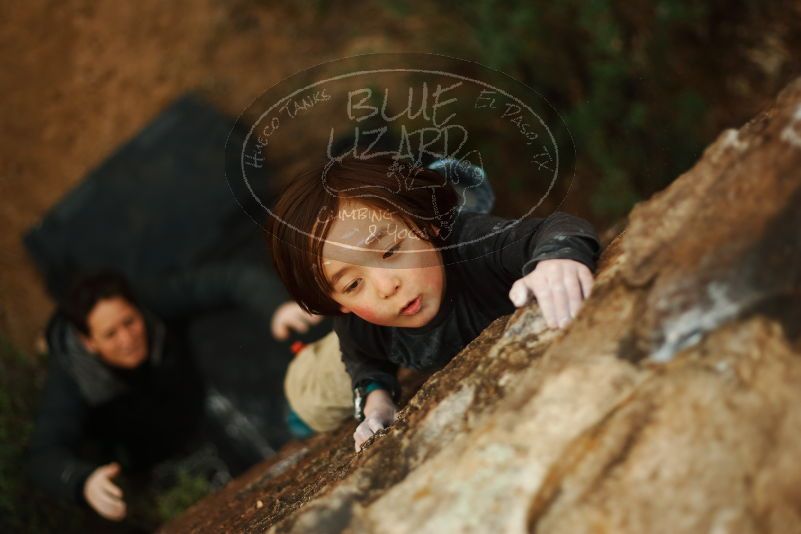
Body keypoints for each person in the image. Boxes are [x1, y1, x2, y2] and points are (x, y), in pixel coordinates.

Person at [268, 155, 601, 451]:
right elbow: (363, 360)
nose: (387, 286)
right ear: (337, 301)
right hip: (337, 359)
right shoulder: (358, 322)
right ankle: (295, 384)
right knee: (310, 406)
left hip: (402, 318)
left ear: (426, 224)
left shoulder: (472, 244)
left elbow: (553, 229)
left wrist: (557, 259)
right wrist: (376, 400)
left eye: (391, 251)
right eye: (353, 284)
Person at [27, 263, 302, 522]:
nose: (127, 339)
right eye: (110, 334)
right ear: (88, 343)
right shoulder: (69, 377)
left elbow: (228, 279)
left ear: (137, 309)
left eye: (129, 322)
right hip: (147, 464)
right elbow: (45, 452)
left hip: (195, 411)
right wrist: (82, 482)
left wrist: (276, 306)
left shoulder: (153, 302)